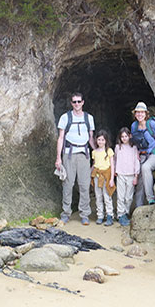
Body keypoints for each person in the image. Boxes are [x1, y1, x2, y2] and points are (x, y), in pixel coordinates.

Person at [55, 92, 95, 225]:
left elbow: (90, 138)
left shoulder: (89, 118)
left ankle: (84, 213)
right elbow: (60, 138)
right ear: (71, 103)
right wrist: (58, 158)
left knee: (84, 184)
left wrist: (98, 153)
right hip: (69, 154)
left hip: (84, 154)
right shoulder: (65, 118)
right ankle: (66, 213)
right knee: (68, 184)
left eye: (79, 101)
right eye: (74, 102)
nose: (77, 104)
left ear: (83, 102)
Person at [113, 127, 139, 226]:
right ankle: (120, 214)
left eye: (126, 136)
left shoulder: (134, 148)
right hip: (120, 174)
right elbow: (115, 159)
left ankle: (126, 212)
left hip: (131, 174)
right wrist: (115, 170)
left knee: (128, 197)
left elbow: (136, 162)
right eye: (122, 137)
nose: (124, 138)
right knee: (121, 196)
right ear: (120, 137)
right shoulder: (117, 147)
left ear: (130, 136)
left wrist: (136, 175)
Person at [91, 130, 116, 226]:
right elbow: (94, 164)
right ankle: (100, 215)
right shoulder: (94, 152)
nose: (100, 142)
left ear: (106, 141)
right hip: (97, 176)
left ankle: (109, 215)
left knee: (107, 196)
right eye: (99, 140)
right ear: (96, 140)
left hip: (106, 176)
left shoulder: (109, 151)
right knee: (98, 196)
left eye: (102, 140)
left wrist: (112, 179)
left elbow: (112, 165)